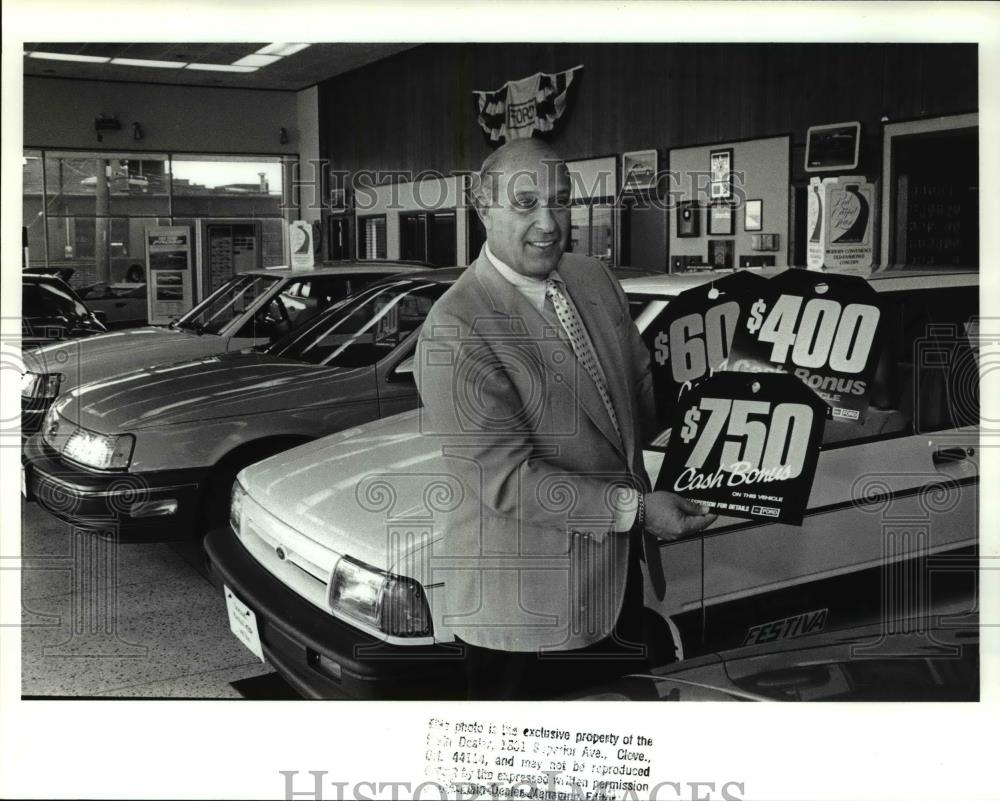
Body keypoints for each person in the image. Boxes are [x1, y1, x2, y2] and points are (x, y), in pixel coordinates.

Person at [415, 138, 716, 699]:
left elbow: (637, 403)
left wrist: (741, 389)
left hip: (613, 584)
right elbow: (506, 481)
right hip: (524, 613)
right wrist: (637, 511)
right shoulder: (457, 328)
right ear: (483, 209)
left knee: (611, 761)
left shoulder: (591, 279)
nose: (549, 223)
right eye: (525, 204)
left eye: (560, 202)